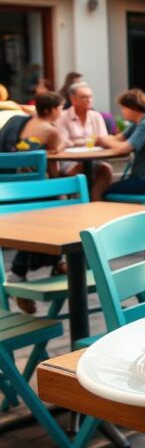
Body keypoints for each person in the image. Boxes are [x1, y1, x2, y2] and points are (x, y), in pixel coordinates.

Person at [5, 92, 68, 313]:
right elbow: (55, 173)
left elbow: (29, 109)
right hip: (37, 194)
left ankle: (54, 265)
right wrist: (61, 146)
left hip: (10, 191)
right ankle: (55, 265)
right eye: (60, 107)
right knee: (64, 209)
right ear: (51, 110)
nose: (62, 112)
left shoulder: (22, 119)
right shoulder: (51, 130)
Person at [97, 89, 145, 197]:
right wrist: (101, 139)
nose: (122, 111)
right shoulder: (141, 121)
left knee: (106, 193)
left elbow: (123, 148)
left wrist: (104, 141)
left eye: (124, 108)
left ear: (133, 108)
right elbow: (118, 138)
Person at [56, 82, 113, 200]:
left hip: (94, 159)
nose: (88, 100)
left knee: (106, 170)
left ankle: (95, 201)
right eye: (84, 97)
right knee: (83, 170)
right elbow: (64, 142)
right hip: (70, 160)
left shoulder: (96, 116)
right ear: (73, 99)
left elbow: (103, 139)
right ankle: (81, 203)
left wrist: (77, 142)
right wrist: (90, 141)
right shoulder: (63, 117)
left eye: (90, 96)